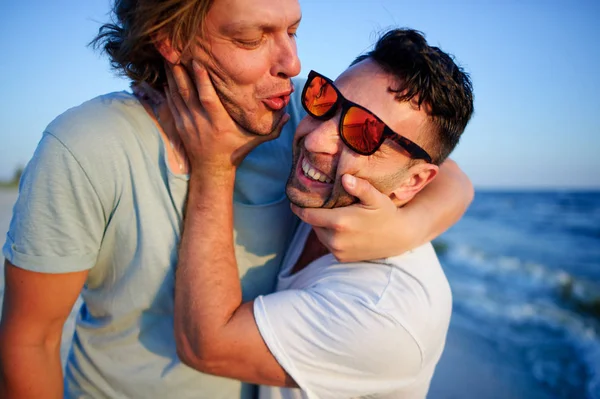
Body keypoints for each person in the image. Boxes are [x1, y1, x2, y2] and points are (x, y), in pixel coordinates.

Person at [0, 0, 472, 398]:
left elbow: (430, 161)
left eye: (293, 30)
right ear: (172, 39)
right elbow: (32, 341)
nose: (292, 63)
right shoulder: (88, 145)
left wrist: (407, 227)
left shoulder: (292, 117)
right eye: (252, 38)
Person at [169, 28, 474, 398]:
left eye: (364, 133)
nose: (314, 138)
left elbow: (205, 346)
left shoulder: (386, 313)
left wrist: (214, 167)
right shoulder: (332, 188)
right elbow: (454, 175)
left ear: (413, 183)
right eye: (324, 100)